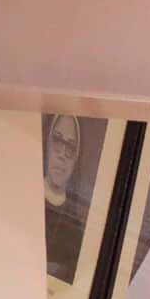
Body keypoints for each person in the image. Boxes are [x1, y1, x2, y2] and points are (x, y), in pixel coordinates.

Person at [43, 115, 97, 282]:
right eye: (58, 140)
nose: (62, 154)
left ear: (76, 159)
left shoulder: (76, 232)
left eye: (70, 147)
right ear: (47, 144)